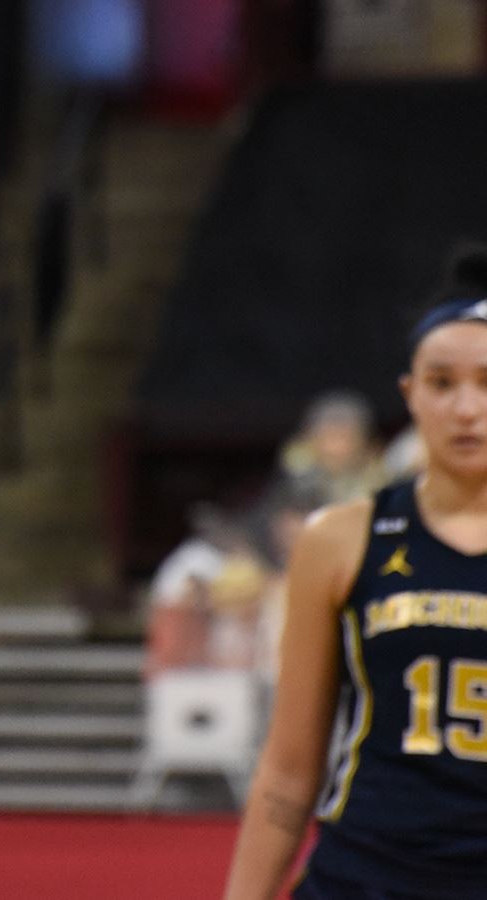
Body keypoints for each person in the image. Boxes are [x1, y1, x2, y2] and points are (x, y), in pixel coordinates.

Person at [225, 248, 487, 899]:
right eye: (442, 383)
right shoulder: (340, 539)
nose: (466, 408)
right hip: (363, 877)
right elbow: (289, 769)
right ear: (410, 394)